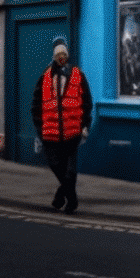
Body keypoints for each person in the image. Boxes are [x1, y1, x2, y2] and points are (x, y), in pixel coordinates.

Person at [30, 36, 93, 213]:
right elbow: (36, 106)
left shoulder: (77, 75)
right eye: (58, 54)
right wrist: (39, 130)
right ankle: (67, 198)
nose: (61, 57)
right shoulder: (45, 76)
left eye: (64, 54)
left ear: (67, 55)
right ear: (54, 56)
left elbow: (87, 103)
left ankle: (66, 200)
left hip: (72, 133)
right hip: (50, 135)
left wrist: (85, 125)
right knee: (58, 168)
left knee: (70, 172)